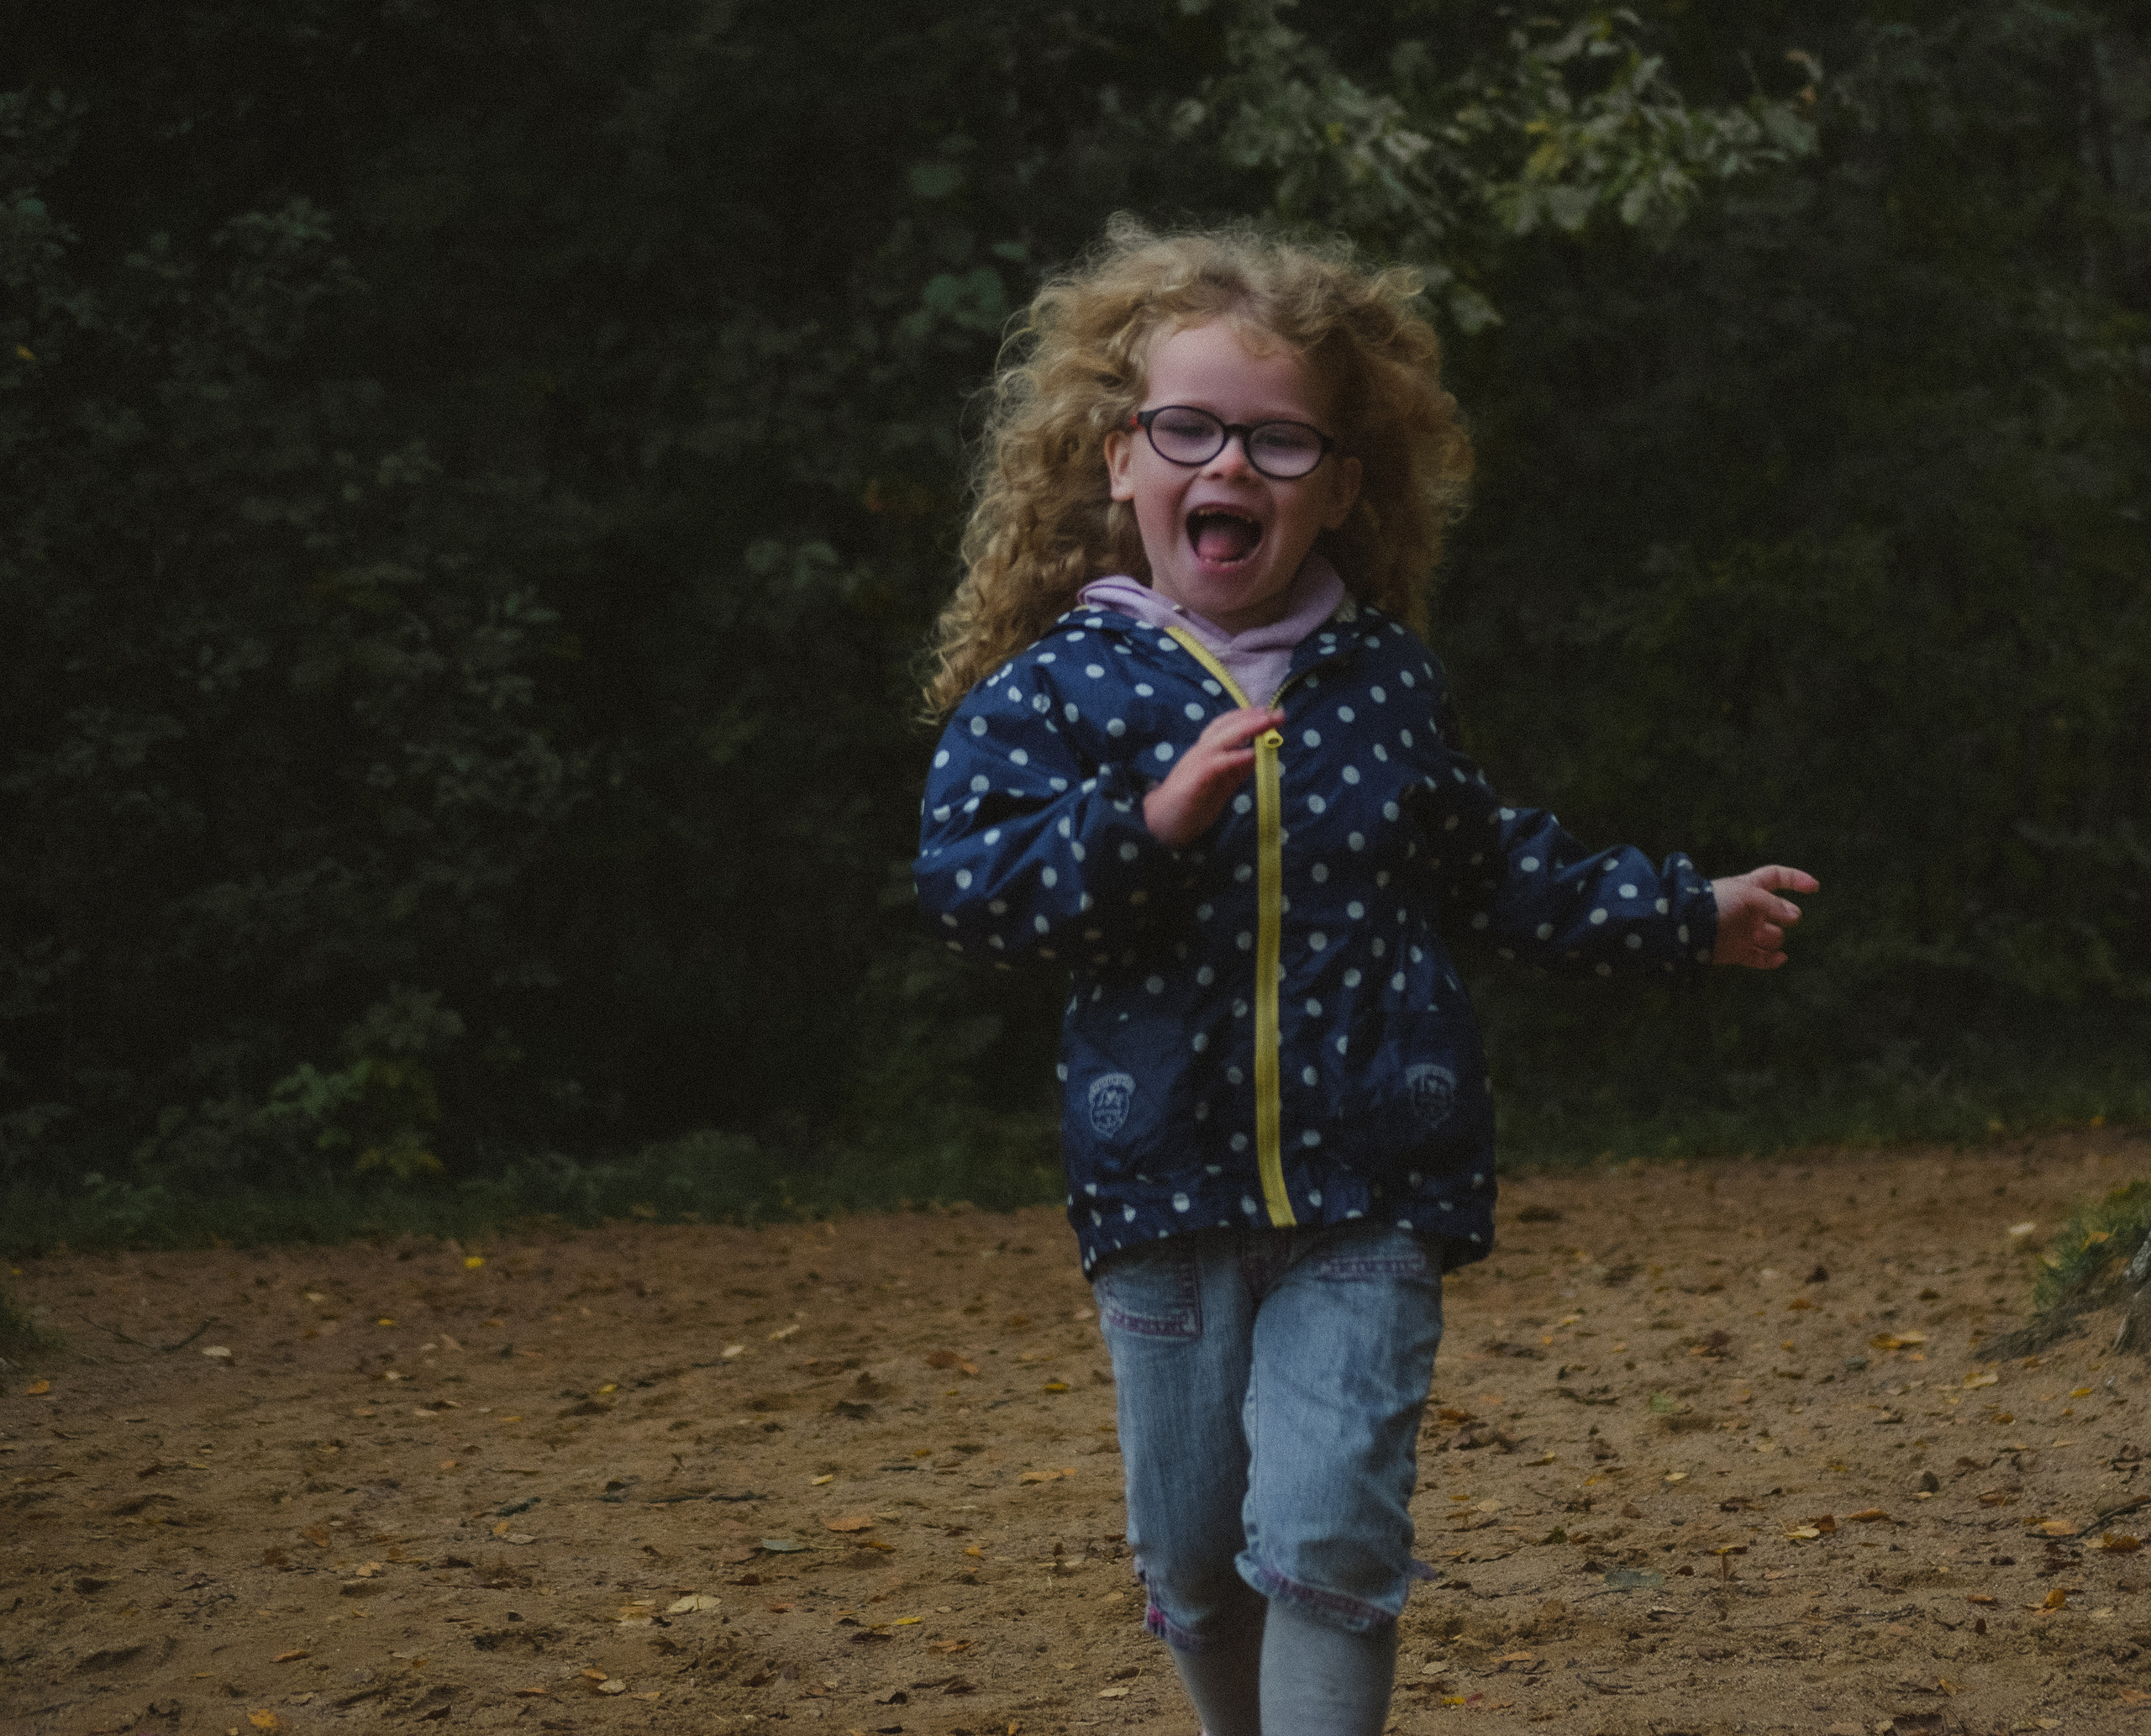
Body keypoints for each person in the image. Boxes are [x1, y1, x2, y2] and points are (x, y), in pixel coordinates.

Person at [912, 218, 1816, 1736]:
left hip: (1374, 1183)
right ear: (1119, 459)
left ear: (1340, 486)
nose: (1231, 468)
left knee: (1328, 1532)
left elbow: (1491, 865)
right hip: (1159, 1193)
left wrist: (1683, 910)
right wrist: (1146, 827)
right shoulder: (1053, 687)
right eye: (1188, 429)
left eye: (1279, 440)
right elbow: (968, 887)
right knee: (1197, 1562)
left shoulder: (1380, 678)